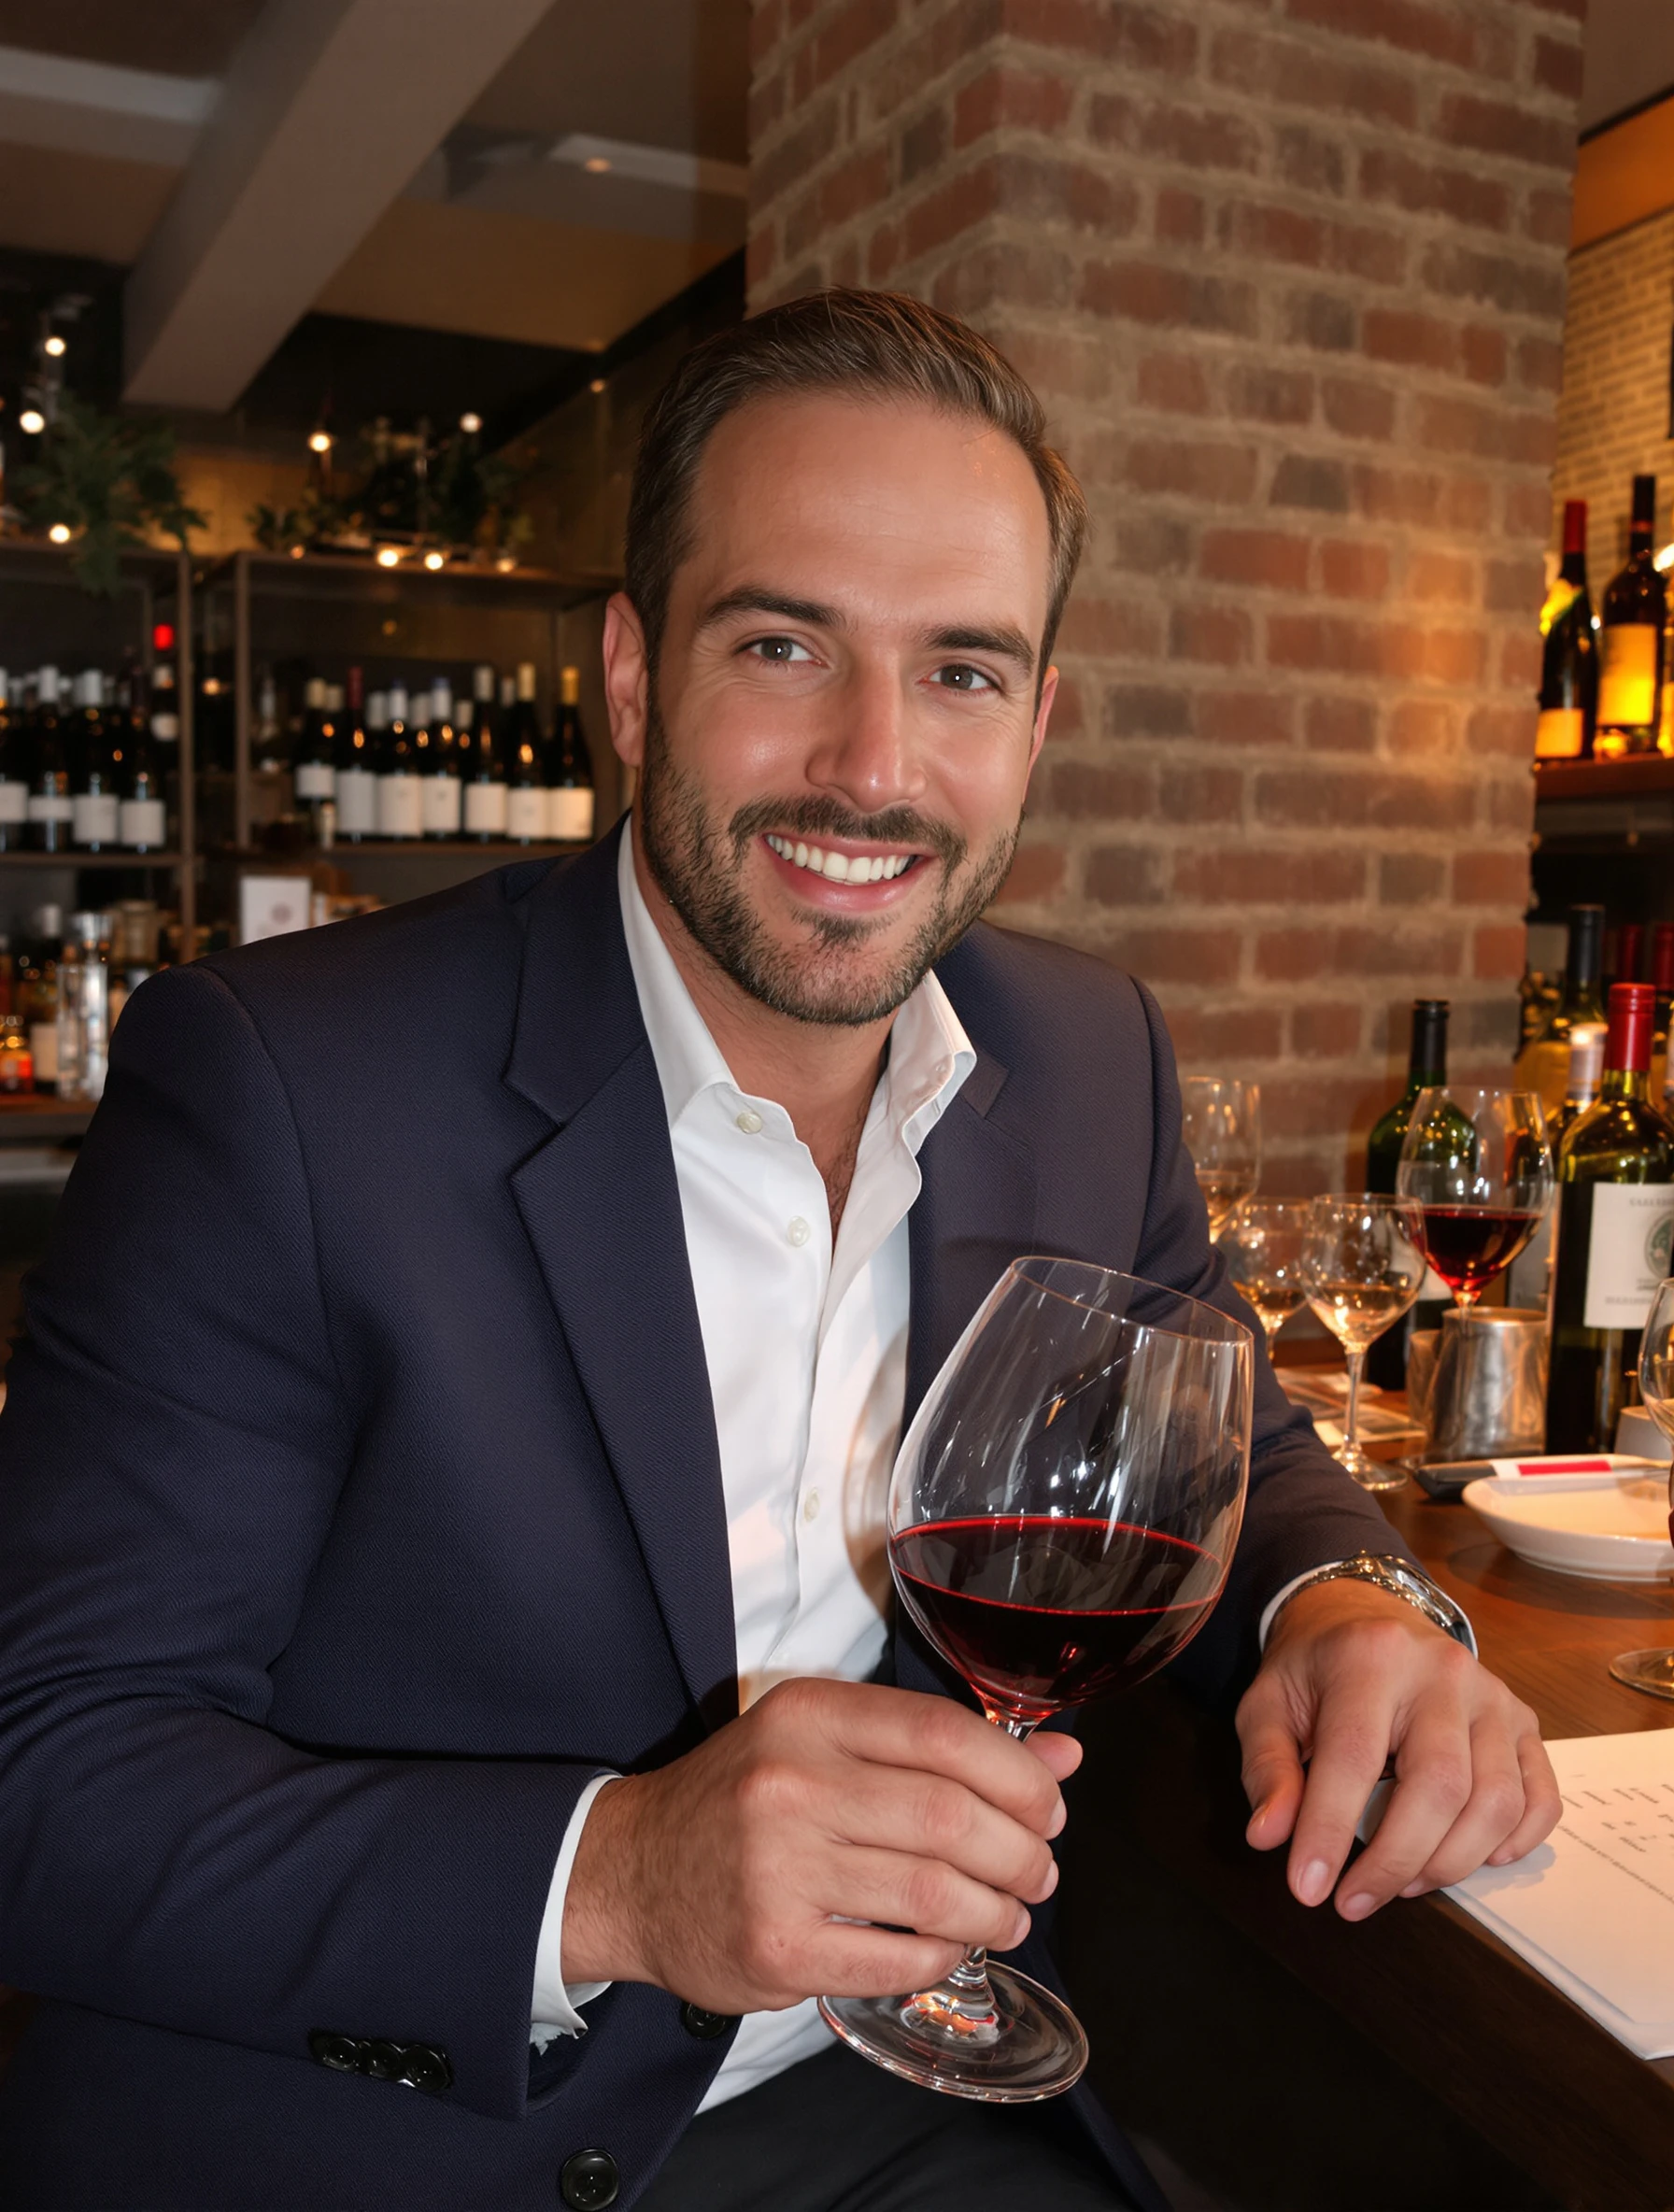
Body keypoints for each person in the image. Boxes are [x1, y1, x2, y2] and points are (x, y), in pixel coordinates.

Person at [0, 291, 1558, 2212]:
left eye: (961, 670)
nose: (870, 764)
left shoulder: (1085, 1054)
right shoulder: (283, 1084)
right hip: (403, 2135)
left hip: (913, 2098)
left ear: (1039, 719)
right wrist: (621, 1872)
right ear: (634, 678)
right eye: (782, 641)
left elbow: (1219, 1425)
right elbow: (46, 1774)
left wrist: (1349, 1611)